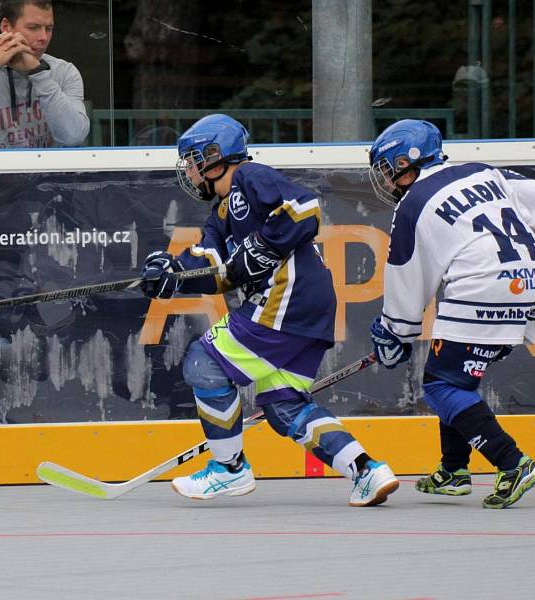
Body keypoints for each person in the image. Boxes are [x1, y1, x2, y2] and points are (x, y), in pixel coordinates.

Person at [140, 114, 399, 506]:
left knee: (203, 362)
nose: (190, 171)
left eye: (193, 161)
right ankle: (366, 470)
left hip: (288, 297)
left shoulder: (250, 177)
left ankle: (229, 470)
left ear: (215, 156)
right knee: (283, 405)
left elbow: (304, 208)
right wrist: (172, 273)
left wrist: (264, 245)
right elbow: (215, 270)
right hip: (308, 306)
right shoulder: (221, 216)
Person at [367, 119, 535, 509]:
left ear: (408, 162)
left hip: (482, 287)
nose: (387, 181)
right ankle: (453, 470)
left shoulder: (413, 204)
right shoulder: (484, 172)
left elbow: (407, 276)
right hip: (533, 281)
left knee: (441, 387)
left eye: (388, 170)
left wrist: (395, 333)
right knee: (453, 377)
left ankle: (512, 462)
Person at [0, 0, 89, 149]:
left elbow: (74, 136)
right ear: (6, 27)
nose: (44, 37)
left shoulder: (65, 72)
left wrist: (38, 73)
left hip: (46, 172)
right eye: (33, 28)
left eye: (49, 28)